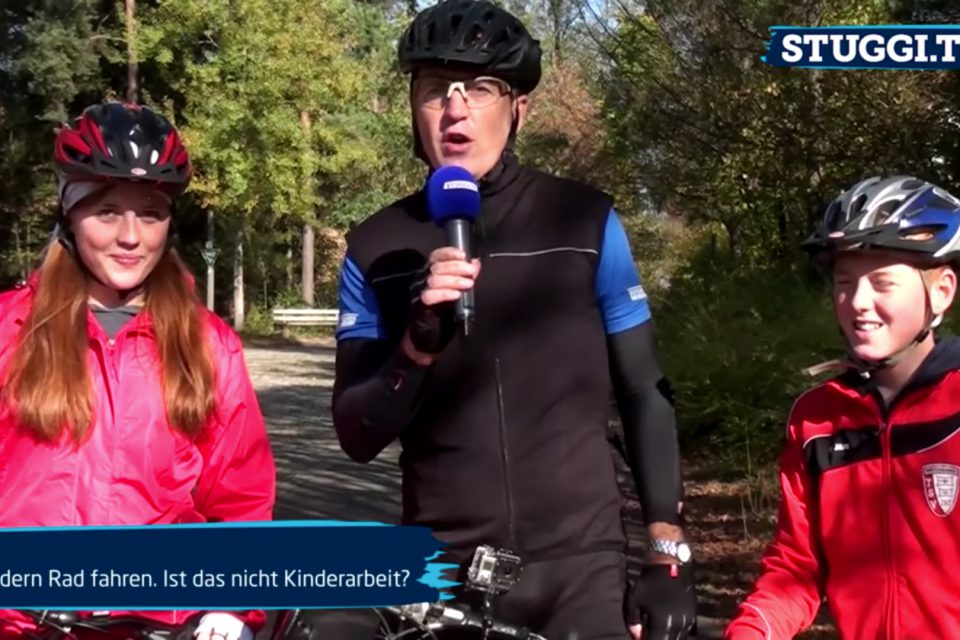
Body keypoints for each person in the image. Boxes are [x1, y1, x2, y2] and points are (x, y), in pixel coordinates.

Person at [330, 1, 696, 638]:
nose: (455, 109)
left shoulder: (584, 221)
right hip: (442, 573)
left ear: (518, 109)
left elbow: (643, 390)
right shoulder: (375, 248)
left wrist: (667, 549)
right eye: (435, 88)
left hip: (582, 570)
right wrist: (415, 349)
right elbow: (357, 434)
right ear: (413, 108)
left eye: (480, 88)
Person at [0, 102, 276, 640]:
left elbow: (240, 499)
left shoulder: (209, 345)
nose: (130, 236)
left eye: (150, 214)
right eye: (107, 212)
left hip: (153, 626)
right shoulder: (9, 330)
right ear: (69, 215)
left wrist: (232, 606)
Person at [724, 175, 960, 639]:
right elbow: (798, 566)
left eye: (883, 283)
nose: (858, 303)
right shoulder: (816, 419)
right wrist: (754, 630)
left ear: (942, 292)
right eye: (844, 282)